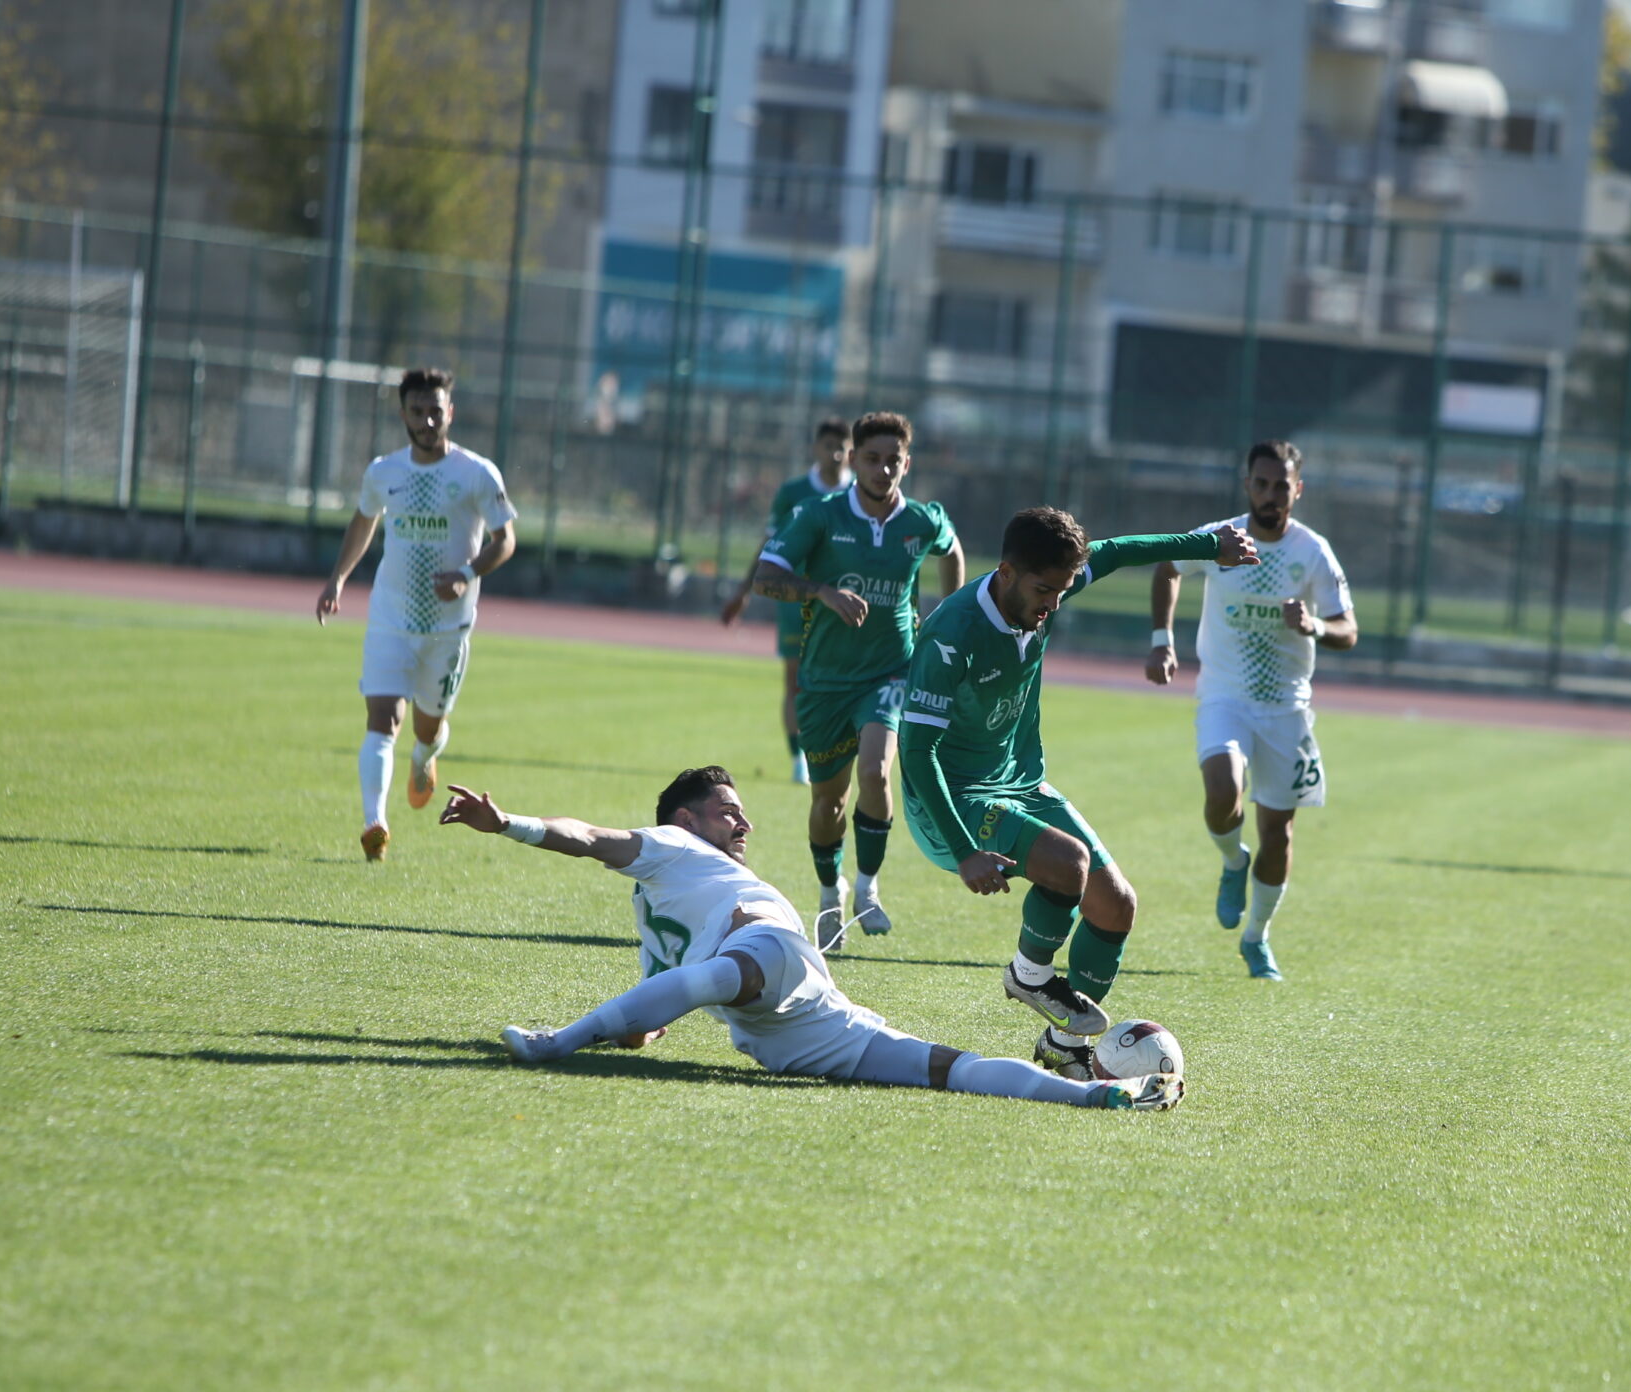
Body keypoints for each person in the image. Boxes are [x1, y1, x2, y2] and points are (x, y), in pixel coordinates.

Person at [438, 770, 1182, 1110]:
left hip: (784, 972)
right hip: (785, 1032)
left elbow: (662, 1006)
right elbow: (591, 838)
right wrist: (509, 825)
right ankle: (560, 1040)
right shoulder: (670, 845)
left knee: (949, 1067)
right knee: (945, 1069)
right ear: (685, 820)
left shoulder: (679, 894)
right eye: (727, 811)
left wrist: (642, 1017)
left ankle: (1096, 1097)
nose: (744, 824)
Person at [902, 507, 1257, 1077]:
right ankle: (1028, 974)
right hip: (950, 799)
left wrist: (1205, 544)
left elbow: (1115, 551)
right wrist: (965, 851)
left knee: (1116, 904)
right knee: (1069, 865)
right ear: (1007, 572)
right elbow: (916, 754)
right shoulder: (952, 635)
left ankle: (1062, 1047)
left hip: (1018, 781)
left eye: (1063, 590)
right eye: (1045, 589)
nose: (1053, 604)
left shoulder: (1045, 591)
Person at [747, 411, 966, 948]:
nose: (883, 469)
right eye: (872, 458)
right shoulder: (819, 516)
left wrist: (943, 615)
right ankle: (830, 895)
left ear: (907, 463)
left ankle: (868, 888)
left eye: (894, 460)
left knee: (876, 772)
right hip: (822, 682)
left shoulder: (920, 519)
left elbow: (952, 550)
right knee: (828, 803)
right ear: (854, 459)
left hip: (891, 672)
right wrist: (821, 591)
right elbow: (765, 577)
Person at [1147, 439, 1358, 979]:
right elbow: (1167, 567)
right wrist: (1161, 639)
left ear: (1297, 489)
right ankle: (1231, 861)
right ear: (1247, 486)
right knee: (1222, 793)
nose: (1270, 494)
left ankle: (1256, 938)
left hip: (1286, 706)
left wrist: (1313, 625)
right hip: (1225, 695)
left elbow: (1347, 630)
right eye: (1261, 484)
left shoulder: (1313, 552)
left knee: (1279, 832)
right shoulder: (1222, 539)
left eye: (1281, 485)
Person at [314, 366, 518, 862]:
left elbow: (505, 540)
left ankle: (425, 757)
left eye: (435, 411)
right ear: (403, 413)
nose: (427, 421)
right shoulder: (384, 471)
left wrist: (467, 574)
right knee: (382, 721)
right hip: (389, 619)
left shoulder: (475, 473)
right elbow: (363, 521)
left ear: (450, 412)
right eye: (417, 411)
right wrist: (339, 577)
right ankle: (374, 822)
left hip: (447, 630)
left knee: (426, 729)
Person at [719, 415, 852, 785]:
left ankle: (835, 753)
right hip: (797, 598)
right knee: (795, 680)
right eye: (829, 446)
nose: (836, 454)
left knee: (840, 682)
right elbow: (770, 546)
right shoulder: (793, 492)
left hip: (841, 601)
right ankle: (799, 759)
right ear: (816, 448)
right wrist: (743, 592)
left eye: (843, 447)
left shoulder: (859, 492)